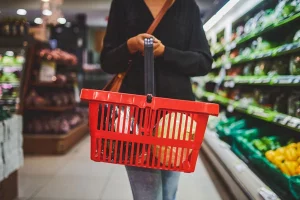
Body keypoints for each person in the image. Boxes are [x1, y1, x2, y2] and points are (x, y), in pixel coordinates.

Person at [100, 0, 212, 199]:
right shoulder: (123, 4)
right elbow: (107, 61)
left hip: (176, 119)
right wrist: (130, 46)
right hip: (133, 116)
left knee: (169, 192)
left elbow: (203, 62)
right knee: (146, 195)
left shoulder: (186, 6)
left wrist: (166, 53)